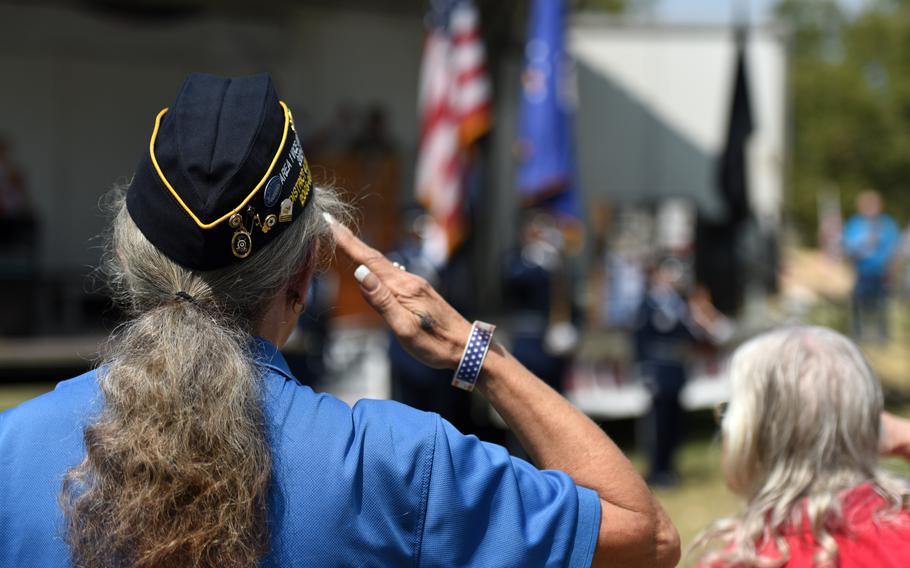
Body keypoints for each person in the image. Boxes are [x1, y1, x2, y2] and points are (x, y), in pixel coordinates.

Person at [0, 73, 679, 567]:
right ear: (303, 277)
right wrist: (477, 354)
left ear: (127, 260)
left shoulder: (11, 452)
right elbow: (646, 538)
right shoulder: (398, 465)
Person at [692, 326, 910, 567]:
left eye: (726, 411)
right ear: (872, 420)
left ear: (750, 434)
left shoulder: (747, 559)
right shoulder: (901, 529)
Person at [634, 257, 727, 487]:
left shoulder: (681, 305)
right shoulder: (649, 304)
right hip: (658, 368)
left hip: (676, 369)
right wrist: (644, 370)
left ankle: (670, 468)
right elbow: (639, 339)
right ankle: (657, 470)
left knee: (675, 424)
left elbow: (694, 334)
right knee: (658, 423)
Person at [842, 190, 900, 341]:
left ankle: (882, 337)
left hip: (881, 273)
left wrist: (892, 272)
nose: (870, 208)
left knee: (881, 307)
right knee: (859, 306)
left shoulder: (888, 225)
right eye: (866, 205)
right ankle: (858, 335)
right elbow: (847, 248)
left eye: (873, 204)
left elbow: (895, 251)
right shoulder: (854, 224)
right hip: (861, 273)